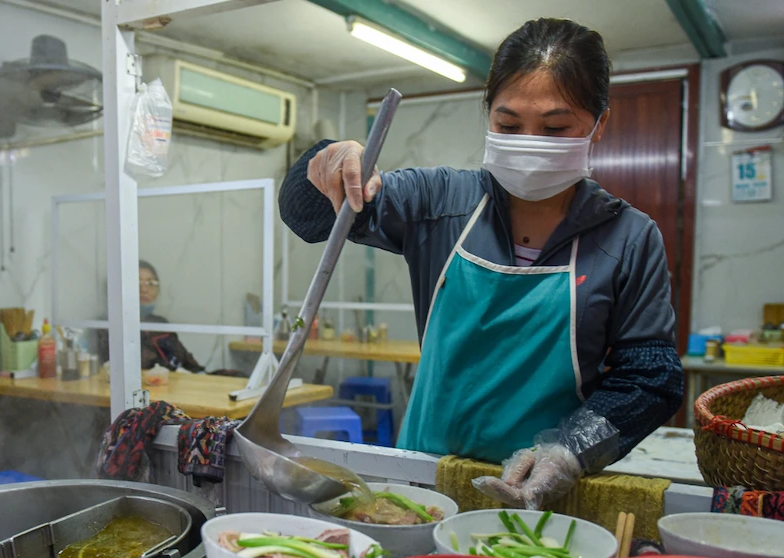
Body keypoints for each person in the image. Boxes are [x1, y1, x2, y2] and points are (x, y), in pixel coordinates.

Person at [278, 18, 683, 508]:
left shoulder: (628, 237)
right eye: (508, 125)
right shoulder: (440, 201)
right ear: (487, 113)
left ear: (599, 124)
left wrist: (569, 451)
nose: (530, 142)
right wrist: (328, 160)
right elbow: (307, 217)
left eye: (555, 128)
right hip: (424, 481)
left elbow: (651, 377)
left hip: (543, 491)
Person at [98, 260, 204, 372]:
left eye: (151, 284)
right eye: (136, 282)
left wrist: (201, 374)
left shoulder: (159, 323)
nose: (144, 290)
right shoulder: (107, 325)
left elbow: (187, 362)